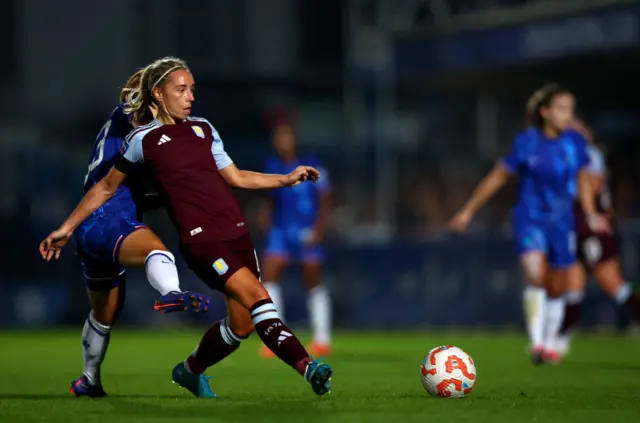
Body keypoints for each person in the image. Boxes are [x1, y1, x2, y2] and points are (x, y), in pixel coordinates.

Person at [39, 57, 333, 398]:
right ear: (159, 95)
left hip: (236, 231)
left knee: (242, 324)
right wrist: (67, 227)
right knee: (260, 298)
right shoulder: (142, 140)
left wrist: (285, 178)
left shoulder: (204, 128)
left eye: (192, 89)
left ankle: (190, 371)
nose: (190, 96)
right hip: (202, 241)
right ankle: (310, 367)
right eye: (181, 90)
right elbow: (105, 187)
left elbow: (236, 177)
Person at [39, 69, 212, 398]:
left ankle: (88, 380)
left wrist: (67, 228)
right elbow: (136, 116)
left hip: (93, 224)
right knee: (156, 250)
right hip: (108, 217)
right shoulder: (136, 116)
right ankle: (171, 293)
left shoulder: (125, 128)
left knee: (105, 313)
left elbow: (145, 190)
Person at [448, 84, 607, 364]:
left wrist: (591, 212)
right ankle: (537, 345)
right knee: (536, 276)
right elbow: (498, 177)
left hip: (562, 221)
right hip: (530, 219)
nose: (567, 115)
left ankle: (549, 342)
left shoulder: (575, 143)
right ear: (545, 112)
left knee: (557, 284)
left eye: (570, 109)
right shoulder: (527, 143)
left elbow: (583, 178)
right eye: (561, 109)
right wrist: (468, 211)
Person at [556, 120, 640, 356]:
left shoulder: (587, 155)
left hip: (590, 226)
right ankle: (560, 340)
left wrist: (591, 215)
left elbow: (589, 184)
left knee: (610, 281)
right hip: (578, 225)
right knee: (573, 282)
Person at [260, 120, 333, 359]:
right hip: (281, 229)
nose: (283, 142)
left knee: (313, 280)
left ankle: (322, 339)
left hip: (306, 230)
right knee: (268, 278)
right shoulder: (272, 166)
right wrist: (265, 218)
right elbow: (271, 199)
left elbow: (325, 201)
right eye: (278, 138)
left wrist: (319, 230)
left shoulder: (312, 165)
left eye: (286, 137)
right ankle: (276, 338)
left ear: (294, 140)